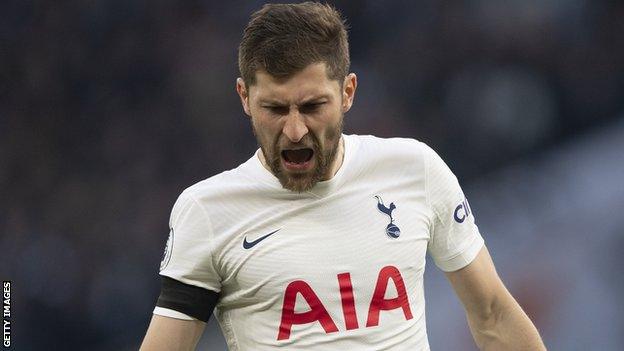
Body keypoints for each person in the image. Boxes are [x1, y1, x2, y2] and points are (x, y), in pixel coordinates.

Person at [140, 2, 546, 350]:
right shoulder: (209, 211)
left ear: (348, 92)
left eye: (313, 106)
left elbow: (493, 315)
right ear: (244, 97)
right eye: (275, 110)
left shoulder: (414, 170)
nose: (295, 130)